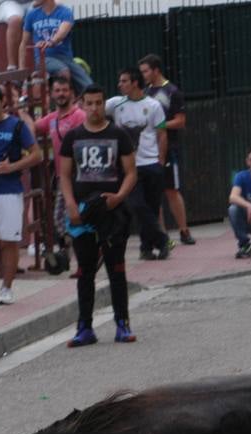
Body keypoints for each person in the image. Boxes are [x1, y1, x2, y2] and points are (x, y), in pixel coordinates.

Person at [59, 83, 136, 346]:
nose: (94, 108)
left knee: (116, 269)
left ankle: (122, 324)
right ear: (82, 104)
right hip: (82, 212)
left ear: (104, 103)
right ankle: (85, 328)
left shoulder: (119, 134)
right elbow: (64, 175)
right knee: (85, 271)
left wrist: (118, 198)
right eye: (89, 103)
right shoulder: (72, 137)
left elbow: (131, 173)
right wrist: (70, 204)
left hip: (112, 213)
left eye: (98, 103)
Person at [0, 84, 38, 306]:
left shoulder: (16, 125)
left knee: (8, 241)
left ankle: (7, 287)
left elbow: (36, 155)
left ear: (2, 102)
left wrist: (13, 166)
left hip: (8, 190)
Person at [107, 67, 169, 261]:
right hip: (129, 167)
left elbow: (161, 133)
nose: (120, 85)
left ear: (135, 83)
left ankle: (146, 247)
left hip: (151, 163)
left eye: (124, 81)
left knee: (150, 207)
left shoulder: (153, 105)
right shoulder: (116, 104)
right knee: (136, 204)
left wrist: (160, 159)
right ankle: (162, 239)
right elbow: (94, 108)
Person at [140, 54, 194, 245]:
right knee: (154, 194)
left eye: (146, 71)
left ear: (156, 70)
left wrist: (160, 125)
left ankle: (184, 231)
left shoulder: (172, 92)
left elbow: (180, 121)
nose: (143, 75)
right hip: (149, 150)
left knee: (171, 190)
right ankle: (161, 234)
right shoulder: (144, 93)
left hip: (169, 148)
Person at [21, 0, 92, 92]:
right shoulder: (31, 15)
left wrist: (51, 42)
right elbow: (23, 43)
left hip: (65, 58)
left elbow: (62, 32)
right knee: (63, 71)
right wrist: (21, 68)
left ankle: (77, 101)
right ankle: (61, 102)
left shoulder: (65, 12)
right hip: (44, 58)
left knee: (89, 86)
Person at [32, 73, 84, 162]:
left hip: (76, 173)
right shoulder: (51, 117)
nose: (61, 93)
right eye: (57, 90)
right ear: (52, 94)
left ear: (71, 93)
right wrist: (20, 111)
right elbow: (32, 127)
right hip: (59, 174)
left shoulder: (80, 115)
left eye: (65, 90)